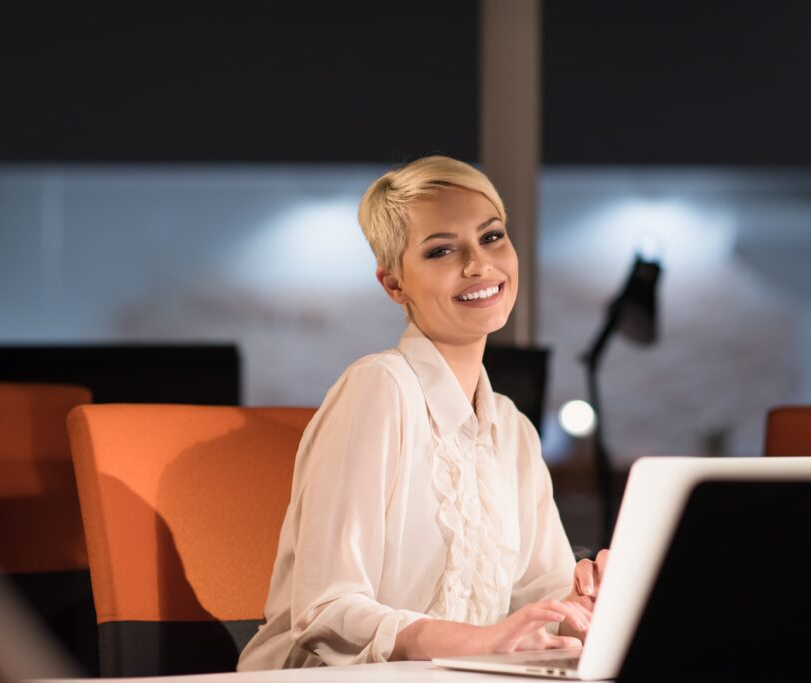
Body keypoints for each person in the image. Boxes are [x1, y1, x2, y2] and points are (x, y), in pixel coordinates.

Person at [237, 156, 608, 670]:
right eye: (441, 250)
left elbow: (536, 601)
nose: (479, 264)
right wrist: (480, 642)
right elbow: (327, 608)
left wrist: (586, 606)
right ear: (394, 285)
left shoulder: (512, 429)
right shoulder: (379, 387)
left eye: (492, 237)